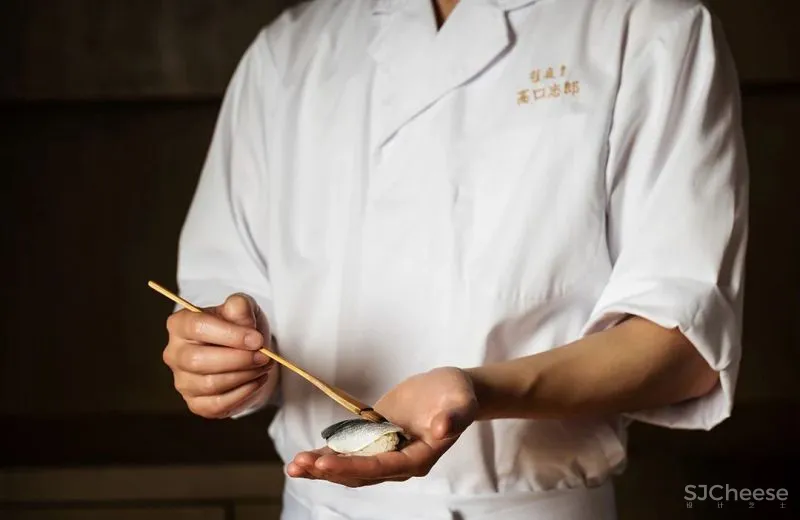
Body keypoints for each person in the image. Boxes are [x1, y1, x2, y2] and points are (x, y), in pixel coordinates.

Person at [161, 0, 749, 518]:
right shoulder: (285, 51)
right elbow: (225, 304)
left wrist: (478, 389)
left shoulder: (649, 25)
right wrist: (218, 362)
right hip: (319, 507)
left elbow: (686, 348)